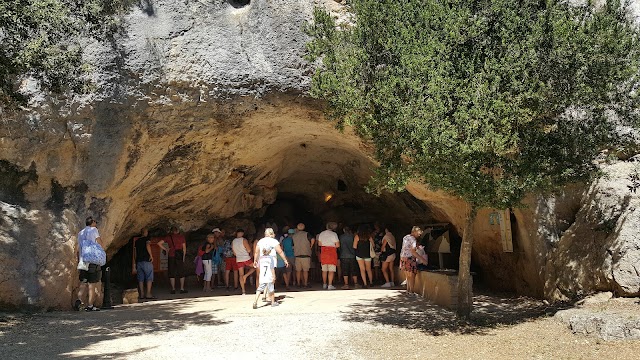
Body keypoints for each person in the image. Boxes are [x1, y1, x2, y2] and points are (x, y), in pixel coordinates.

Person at [74, 216, 106, 312]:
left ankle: (79, 301)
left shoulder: (80, 233)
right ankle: (90, 305)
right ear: (92, 223)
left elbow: (78, 247)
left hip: (83, 261)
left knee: (83, 282)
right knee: (92, 284)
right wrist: (102, 251)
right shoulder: (93, 230)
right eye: (95, 222)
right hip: (92, 260)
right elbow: (99, 241)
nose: (96, 224)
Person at [254, 228, 289, 307]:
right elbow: (280, 251)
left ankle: (259, 298)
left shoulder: (260, 241)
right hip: (271, 261)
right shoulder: (274, 241)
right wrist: (285, 260)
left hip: (262, 261)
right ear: (272, 234)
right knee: (271, 280)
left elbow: (256, 252)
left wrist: (255, 260)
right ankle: (272, 300)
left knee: (263, 280)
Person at [158, 226, 187, 294]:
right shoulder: (181, 237)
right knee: (181, 272)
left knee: (171, 272)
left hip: (171, 255)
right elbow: (184, 248)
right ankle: (182, 289)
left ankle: (173, 289)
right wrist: (184, 257)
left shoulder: (168, 237)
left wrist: (166, 249)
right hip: (179, 256)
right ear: (177, 231)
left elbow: (159, 243)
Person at [132, 228, 160, 300]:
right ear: (145, 232)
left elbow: (135, 252)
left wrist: (135, 261)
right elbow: (148, 246)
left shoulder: (137, 241)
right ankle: (148, 294)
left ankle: (141, 294)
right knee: (149, 277)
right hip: (146, 261)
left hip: (139, 261)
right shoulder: (147, 239)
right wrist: (151, 255)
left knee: (140, 278)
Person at [400, 226, 427, 296]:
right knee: (412, 275)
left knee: (407, 275)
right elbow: (413, 251)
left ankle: (408, 290)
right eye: (418, 233)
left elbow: (404, 247)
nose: (419, 235)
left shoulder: (405, 237)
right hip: (410, 258)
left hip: (403, 257)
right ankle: (411, 292)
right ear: (415, 232)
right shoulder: (413, 240)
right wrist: (422, 259)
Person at [292, 223, 315, 288]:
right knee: (305, 271)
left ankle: (298, 283)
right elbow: (313, 239)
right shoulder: (307, 234)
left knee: (298, 271)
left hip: (297, 255)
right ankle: (305, 283)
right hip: (306, 255)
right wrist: (310, 246)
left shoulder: (294, 235)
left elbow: (292, 245)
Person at [318, 222, 340, 290]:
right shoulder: (334, 234)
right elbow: (337, 245)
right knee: (331, 270)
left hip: (324, 251)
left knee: (324, 270)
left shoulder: (321, 233)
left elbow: (319, 244)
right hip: (332, 252)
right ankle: (330, 285)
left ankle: (324, 284)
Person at [232, 229, 255, 295]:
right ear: (242, 233)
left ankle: (243, 291)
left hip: (238, 259)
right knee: (255, 267)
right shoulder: (244, 240)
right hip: (246, 258)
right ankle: (246, 275)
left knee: (240, 274)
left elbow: (234, 253)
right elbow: (249, 250)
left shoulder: (233, 241)